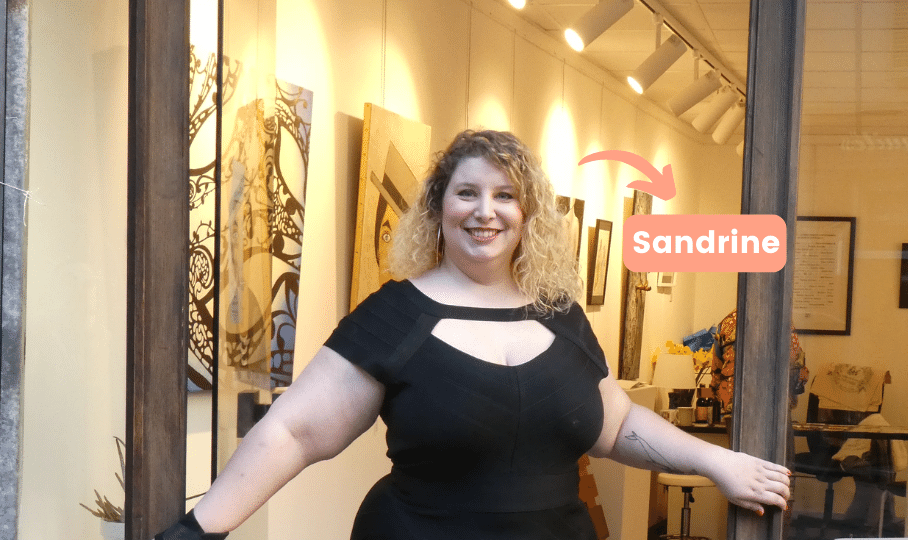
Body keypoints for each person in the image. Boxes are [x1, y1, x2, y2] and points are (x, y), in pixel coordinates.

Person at [156, 130, 791, 540]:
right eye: (467, 193)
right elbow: (294, 433)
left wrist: (719, 462)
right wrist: (198, 530)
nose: (485, 212)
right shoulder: (396, 316)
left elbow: (616, 424)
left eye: (504, 196)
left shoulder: (560, 314)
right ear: (439, 208)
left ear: (527, 214)